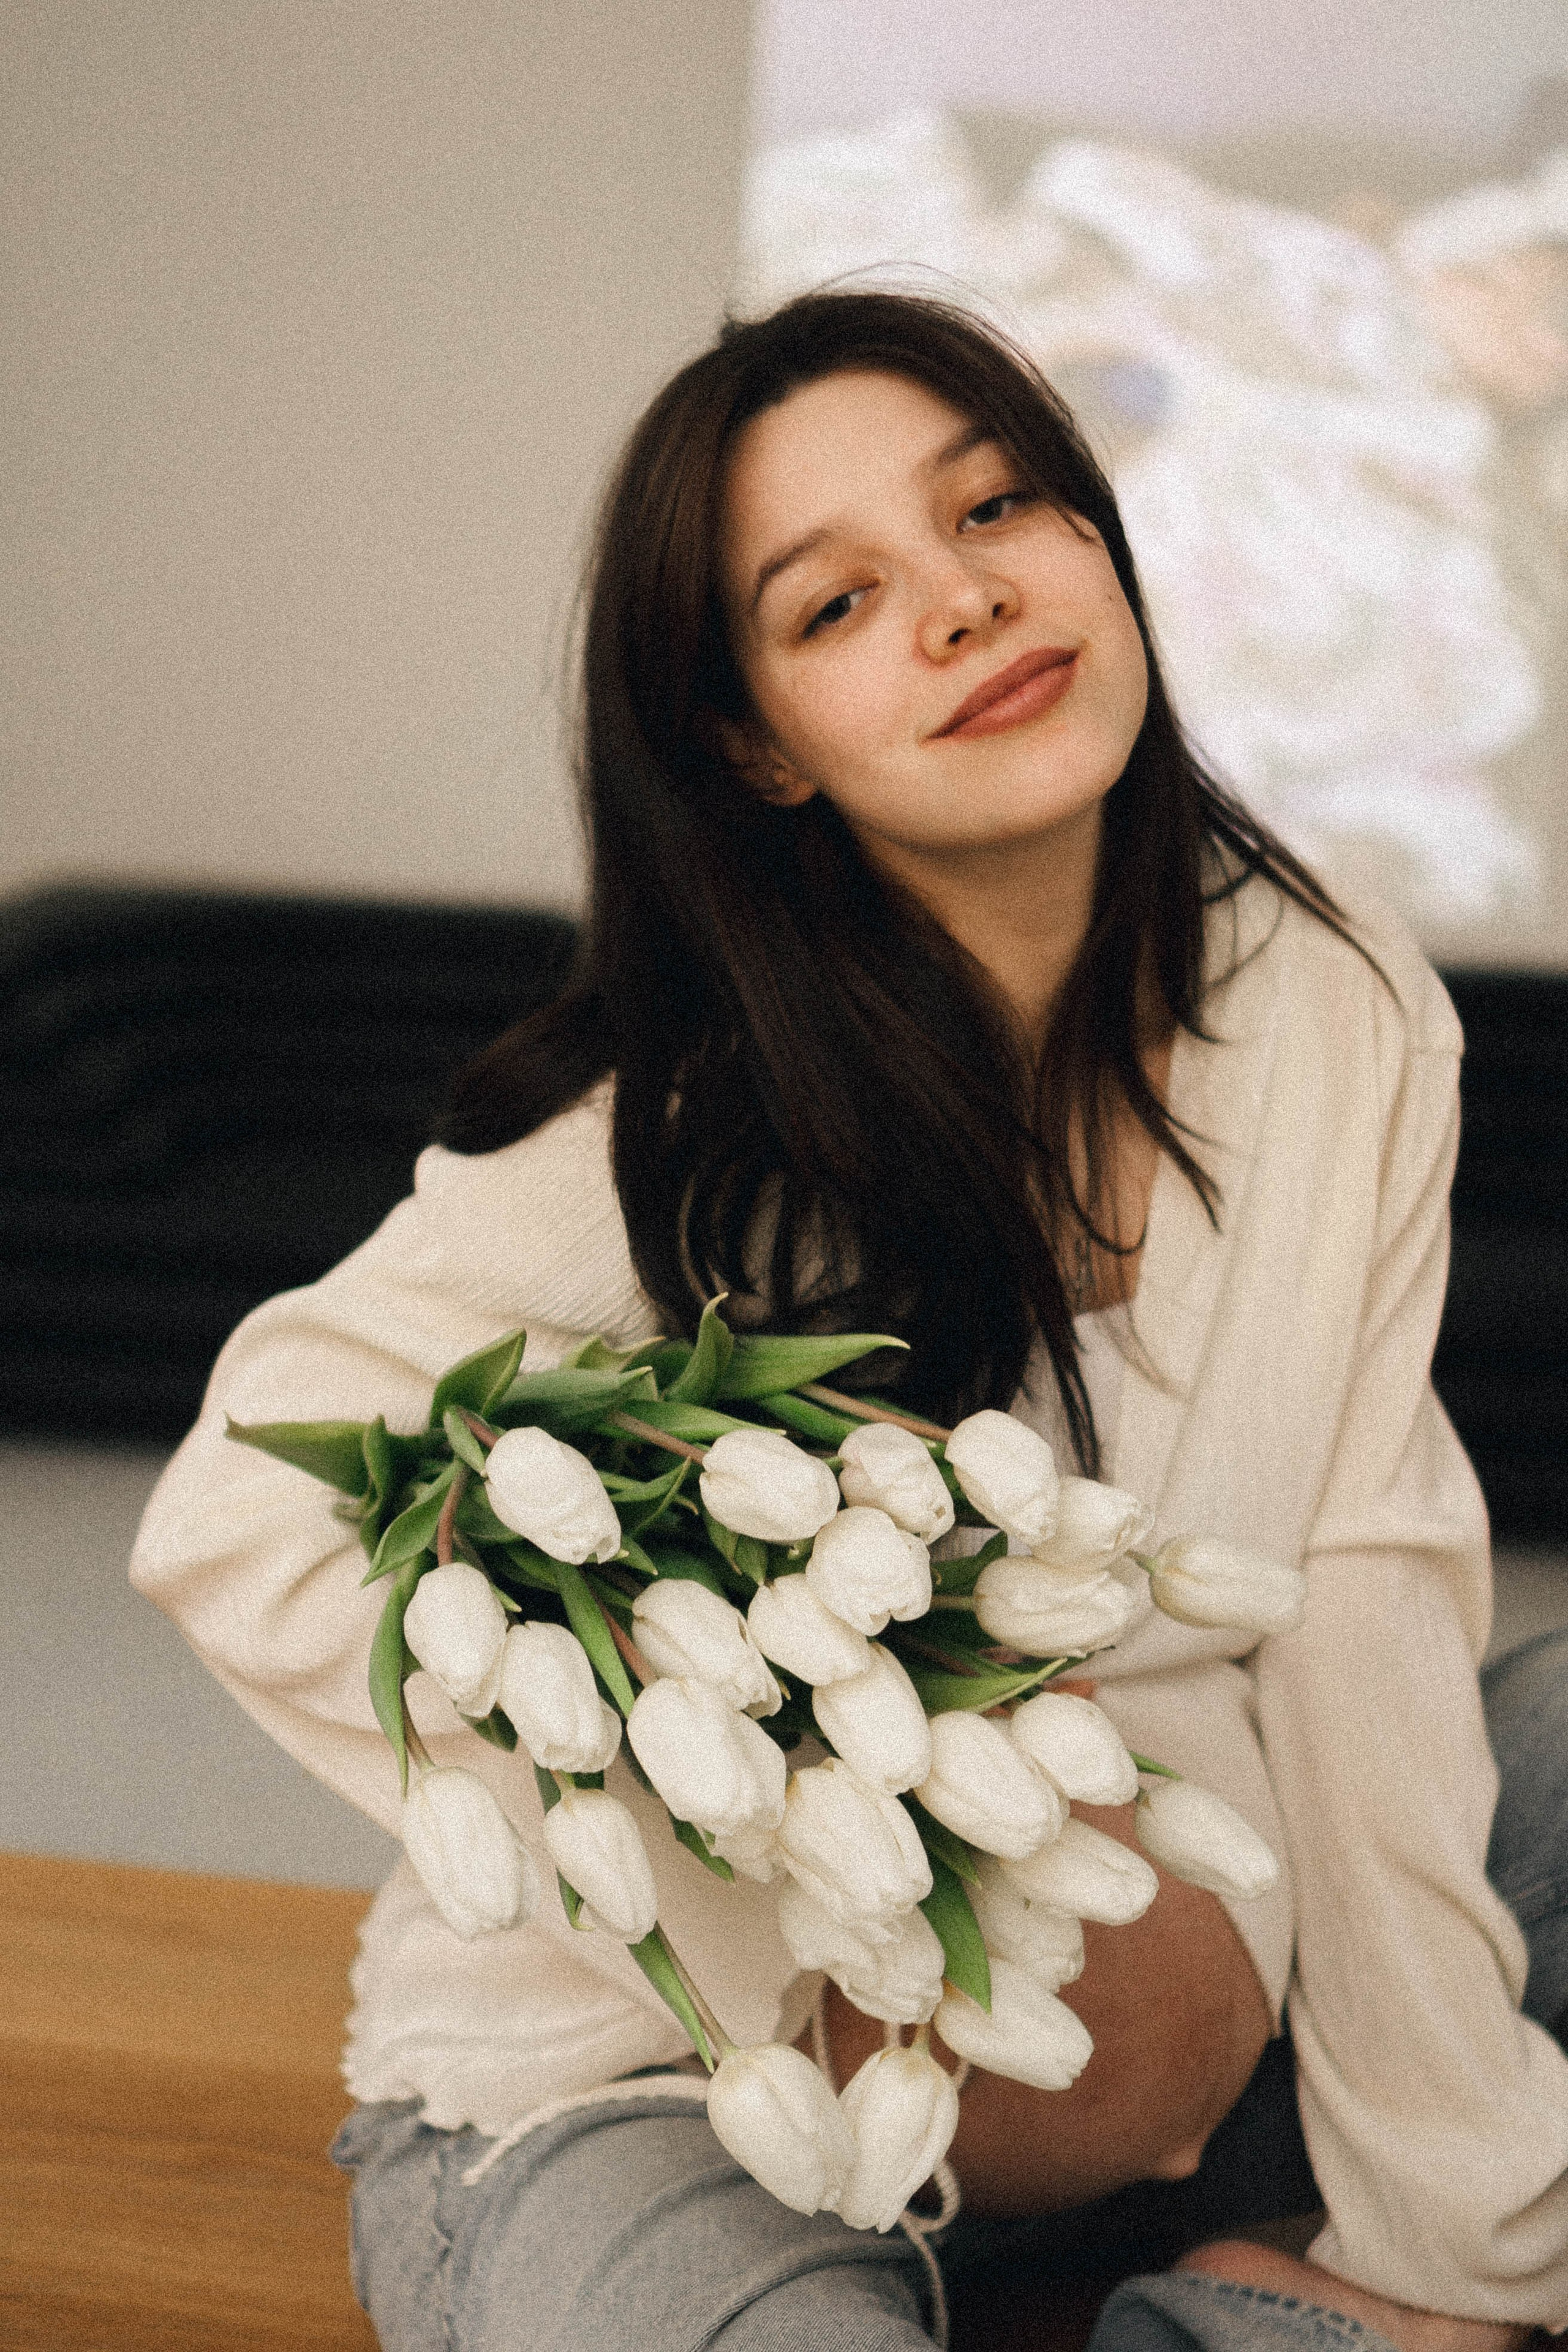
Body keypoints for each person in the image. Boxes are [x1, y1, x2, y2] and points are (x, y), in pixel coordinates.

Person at [129, 290, 1568, 2352]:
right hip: (691, 2102)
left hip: (1196, 2050)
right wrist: (795, 1858)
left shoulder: (1335, 1012)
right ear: (753, 747)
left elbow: (1361, 1598)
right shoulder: (683, 1131)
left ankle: (1253, 2267)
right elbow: (241, 1502)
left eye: (1002, 507)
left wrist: (1453, 2247)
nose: (969, 603)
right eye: (836, 606)